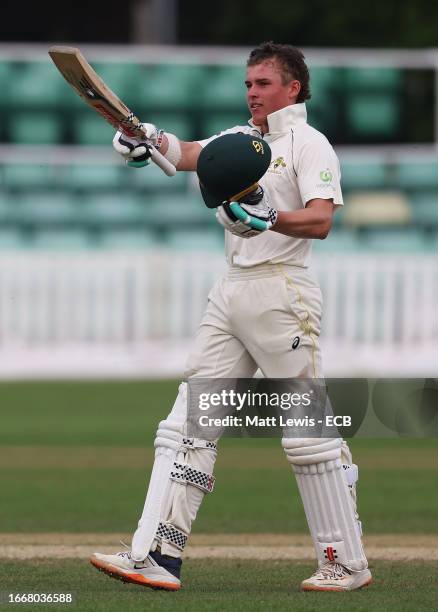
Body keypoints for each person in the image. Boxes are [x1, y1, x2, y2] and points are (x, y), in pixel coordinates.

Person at [90, 41, 372, 592]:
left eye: (263, 84)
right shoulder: (241, 139)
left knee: (307, 437)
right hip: (231, 291)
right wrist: (143, 139)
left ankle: (345, 563)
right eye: (248, 84)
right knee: (186, 426)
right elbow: (188, 151)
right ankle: (157, 554)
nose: (252, 93)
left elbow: (320, 222)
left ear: (293, 88)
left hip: (283, 291)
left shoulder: (310, 144)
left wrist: (269, 219)